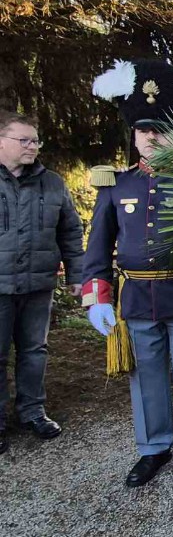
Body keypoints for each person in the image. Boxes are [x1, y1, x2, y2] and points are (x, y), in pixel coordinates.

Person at [82, 60, 173, 487]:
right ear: (134, 136)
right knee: (147, 378)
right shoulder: (115, 186)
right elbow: (97, 248)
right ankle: (154, 447)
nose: (152, 137)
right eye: (144, 130)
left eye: (159, 128)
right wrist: (98, 296)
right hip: (138, 298)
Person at [0, 111, 84, 456]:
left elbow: (70, 231)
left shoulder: (53, 183)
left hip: (39, 285)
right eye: (24, 140)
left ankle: (32, 412)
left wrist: (78, 277)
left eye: (36, 140)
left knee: (35, 352)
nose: (32, 146)